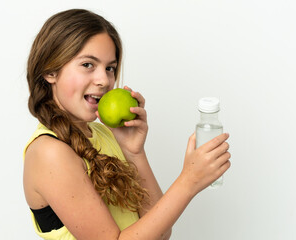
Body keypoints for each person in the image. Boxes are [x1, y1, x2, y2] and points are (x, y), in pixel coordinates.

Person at [23, 9, 231, 240]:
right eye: (88, 65)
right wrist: (189, 181)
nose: (104, 80)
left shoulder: (104, 134)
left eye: (110, 68)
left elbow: (160, 234)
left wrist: (135, 152)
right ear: (51, 71)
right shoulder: (49, 152)